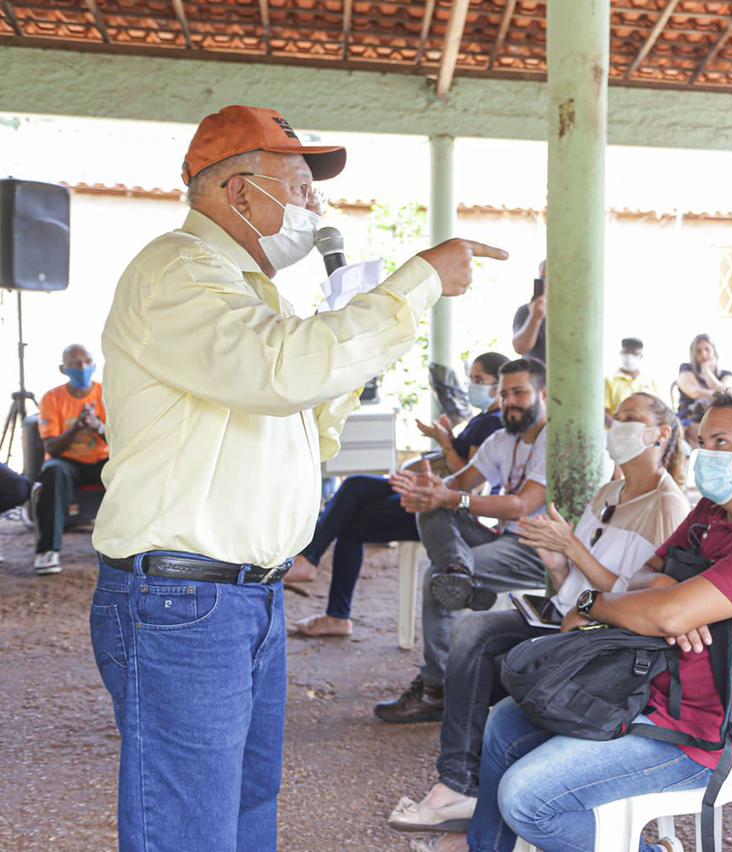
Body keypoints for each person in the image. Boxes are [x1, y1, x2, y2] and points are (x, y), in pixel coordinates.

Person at [88, 104, 501, 851]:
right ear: (239, 192)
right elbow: (279, 371)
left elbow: (299, 430)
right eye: (302, 187)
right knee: (189, 828)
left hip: (243, 598)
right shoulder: (180, 271)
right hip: (184, 600)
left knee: (246, 810)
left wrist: (347, 355)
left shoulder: (251, 295)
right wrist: (415, 287)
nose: (317, 208)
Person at [464, 391, 732, 852]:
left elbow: (666, 613)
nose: (705, 454)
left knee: (527, 798)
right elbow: (646, 578)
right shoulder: (714, 512)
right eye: (703, 441)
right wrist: (669, 601)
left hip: (695, 738)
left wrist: (598, 602)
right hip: (639, 687)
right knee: (507, 721)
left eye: (722, 443)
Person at [385, 392, 690, 838]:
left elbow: (635, 598)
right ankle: (460, 784)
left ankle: (466, 789)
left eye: (631, 418)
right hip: (569, 614)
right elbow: (576, 577)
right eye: (617, 417)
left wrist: (573, 549)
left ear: (661, 433)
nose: (618, 425)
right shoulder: (611, 490)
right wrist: (556, 558)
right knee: (473, 635)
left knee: (487, 651)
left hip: (603, 635)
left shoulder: (667, 505)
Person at [375, 358, 552, 724]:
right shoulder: (502, 439)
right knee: (432, 509)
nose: (509, 402)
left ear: (543, 394)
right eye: (503, 394)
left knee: (435, 579)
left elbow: (522, 506)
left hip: (539, 550)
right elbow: (459, 484)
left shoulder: (558, 440)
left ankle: (436, 687)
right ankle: (458, 572)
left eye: (519, 392)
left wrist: (452, 497)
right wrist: (432, 489)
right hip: (504, 539)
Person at [287, 352, 510, 636]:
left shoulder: (492, 423)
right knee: (356, 487)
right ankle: (313, 567)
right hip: (436, 491)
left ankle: (327, 595)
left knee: (352, 521)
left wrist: (446, 444)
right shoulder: (486, 418)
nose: (472, 386)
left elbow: (470, 481)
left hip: (446, 511)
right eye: (472, 379)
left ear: (498, 385)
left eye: (480, 380)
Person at [33, 343, 108, 575]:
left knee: (128, 470)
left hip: (101, 460)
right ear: (63, 369)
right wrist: (76, 428)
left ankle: (128, 549)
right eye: (76, 363)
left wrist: (97, 427)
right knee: (53, 472)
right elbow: (52, 448)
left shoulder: (106, 393)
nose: (83, 367)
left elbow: (122, 439)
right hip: (67, 462)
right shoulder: (52, 399)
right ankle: (48, 551)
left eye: (87, 361)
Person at [676, 333, 732, 444]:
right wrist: (718, 394)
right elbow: (694, 392)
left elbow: (726, 394)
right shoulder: (686, 368)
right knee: (702, 432)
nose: (704, 354)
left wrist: (707, 371)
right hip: (690, 418)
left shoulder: (726, 374)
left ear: (714, 351)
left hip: (719, 418)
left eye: (707, 349)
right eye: (699, 351)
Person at [603, 337, 660, 423]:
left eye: (634, 354)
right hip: (618, 431)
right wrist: (618, 428)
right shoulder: (609, 381)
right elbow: (603, 412)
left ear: (640, 356)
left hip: (645, 432)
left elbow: (658, 410)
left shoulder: (650, 381)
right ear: (620, 353)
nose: (629, 358)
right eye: (626, 353)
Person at [511, 259, 547, 364]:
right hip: (538, 378)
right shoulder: (526, 311)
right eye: (543, 279)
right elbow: (520, 347)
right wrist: (535, 317)